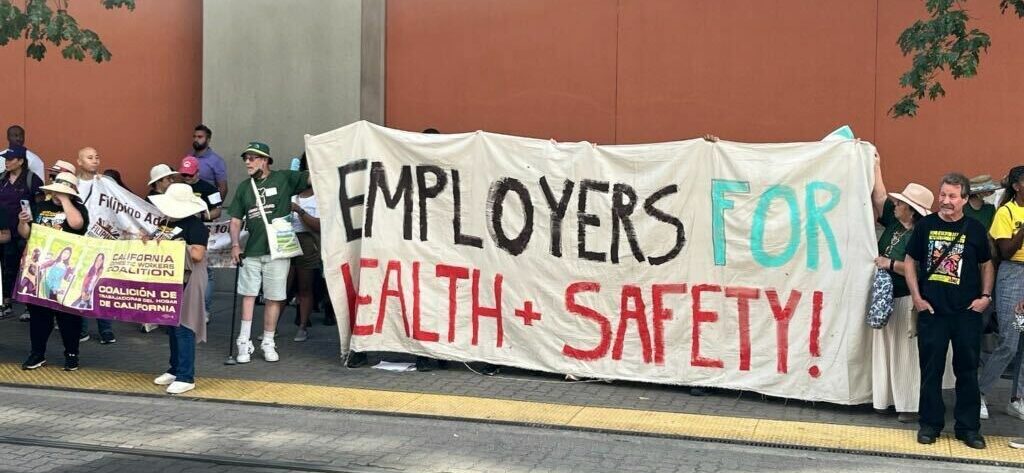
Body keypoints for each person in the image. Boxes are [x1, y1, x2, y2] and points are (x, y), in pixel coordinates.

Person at [905, 173, 994, 449]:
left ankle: (968, 428)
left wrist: (985, 297)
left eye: (952, 196)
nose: (945, 201)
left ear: (965, 199)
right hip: (933, 311)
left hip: (967, 312)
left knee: (967, 370)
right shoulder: (926, 226)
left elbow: (986, 264)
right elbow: (910, 261)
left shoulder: (976, 230)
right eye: (942, 195)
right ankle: (930, 425)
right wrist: (917, 298)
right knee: (930, 370)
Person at [227, 141, 310, 363]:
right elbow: (235, 220)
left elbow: (313, 178)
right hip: (252, 250)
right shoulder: (244, 187)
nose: (247, 162)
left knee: (274, 296)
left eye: (252, 158)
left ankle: (268, 341)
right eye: (246, 158)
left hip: (278, 251)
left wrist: (321, 153)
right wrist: (235, 244)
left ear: (265, 160)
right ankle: (243, 341)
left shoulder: (283, 178)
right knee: (249, 295)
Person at [871, 164, 935, 422]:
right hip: (885, 298)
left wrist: (890, 264)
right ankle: (884, 399)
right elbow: (879, 196)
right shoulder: (894, 225)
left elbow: (921, 270)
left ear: (911, 210)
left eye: (900, 203)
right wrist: (875, 163)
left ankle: (908, 404)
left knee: (905, 352)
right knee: (885, 348)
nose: (895, 205)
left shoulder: (922, 235)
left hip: (906, 298)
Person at [19, 172, 89, 371]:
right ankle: (37, 353)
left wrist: (66, 200)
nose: (58, 194)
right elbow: (26, 234)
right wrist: (23, 221)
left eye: (63, 191)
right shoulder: (41, 207)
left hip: (68, 271)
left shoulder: (79, 209)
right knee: (39, 315)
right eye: (56, 191)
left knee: (68, 317)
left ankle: (72, 354)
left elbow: (77, 225)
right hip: (41, 269)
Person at [149, 183, 210, 394]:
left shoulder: (196, 226)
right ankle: (175, 369)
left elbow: (197, 254)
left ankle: (186, 375)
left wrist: (173, 246)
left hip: (188, 281)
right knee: (172, 327)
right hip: (170, 281)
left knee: (184, 328)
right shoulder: (165, 224)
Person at [978, 166, 1024, 421]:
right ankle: (979, 392)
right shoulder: (1006, 212)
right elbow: (1005, 251)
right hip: (1013, 274)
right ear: (1017, 186)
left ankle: (1018, 398)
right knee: (1009, 340)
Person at [75, 147, 116, 343]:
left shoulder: (106, 183)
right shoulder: (72, 184)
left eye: (97, 157)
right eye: (89, 157)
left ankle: (105, 328)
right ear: (79, 162)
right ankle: (81, 328)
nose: (94, 160)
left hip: (102, 241)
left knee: (102, 283)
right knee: (81, 282)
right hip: (79, 240)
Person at [179, 155, 222, 323]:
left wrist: (203, 215)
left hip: (201, 231)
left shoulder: (209, 188)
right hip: (181, 232)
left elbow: (217, 211)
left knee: (206, 272)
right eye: (184, 174)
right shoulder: (177, 187)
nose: (187, 178)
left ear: (198, 172)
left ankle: (204, 309)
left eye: (190, 174)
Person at [0, 145, 41, 317]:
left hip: (25, 232)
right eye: (6, 160)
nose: (7, 163)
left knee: (26, 268)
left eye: (11, 159)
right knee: (5, 267)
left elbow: (39, 205)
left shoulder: (32, 180)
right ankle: (6, 302)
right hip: (4, 231)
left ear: (21, 161)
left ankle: (28, 306)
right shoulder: (2, 179)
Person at [288, 154, 320, 342]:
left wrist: (299, 210)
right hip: (285, 240)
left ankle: (302, 326)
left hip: (307, 241)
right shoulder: (291, 192)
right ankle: (271, 327)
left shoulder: (318, 197)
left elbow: (317, 226)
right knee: (281, 287)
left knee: (304, 287)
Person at [191, 124, 228, 200]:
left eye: (200, 137)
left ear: (208, 139)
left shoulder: (216, 160)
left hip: (207, 204)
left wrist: (216, 207)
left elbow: (223, 188)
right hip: (190, 203)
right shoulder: (188, 157)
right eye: (194, 137)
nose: (196, 139)